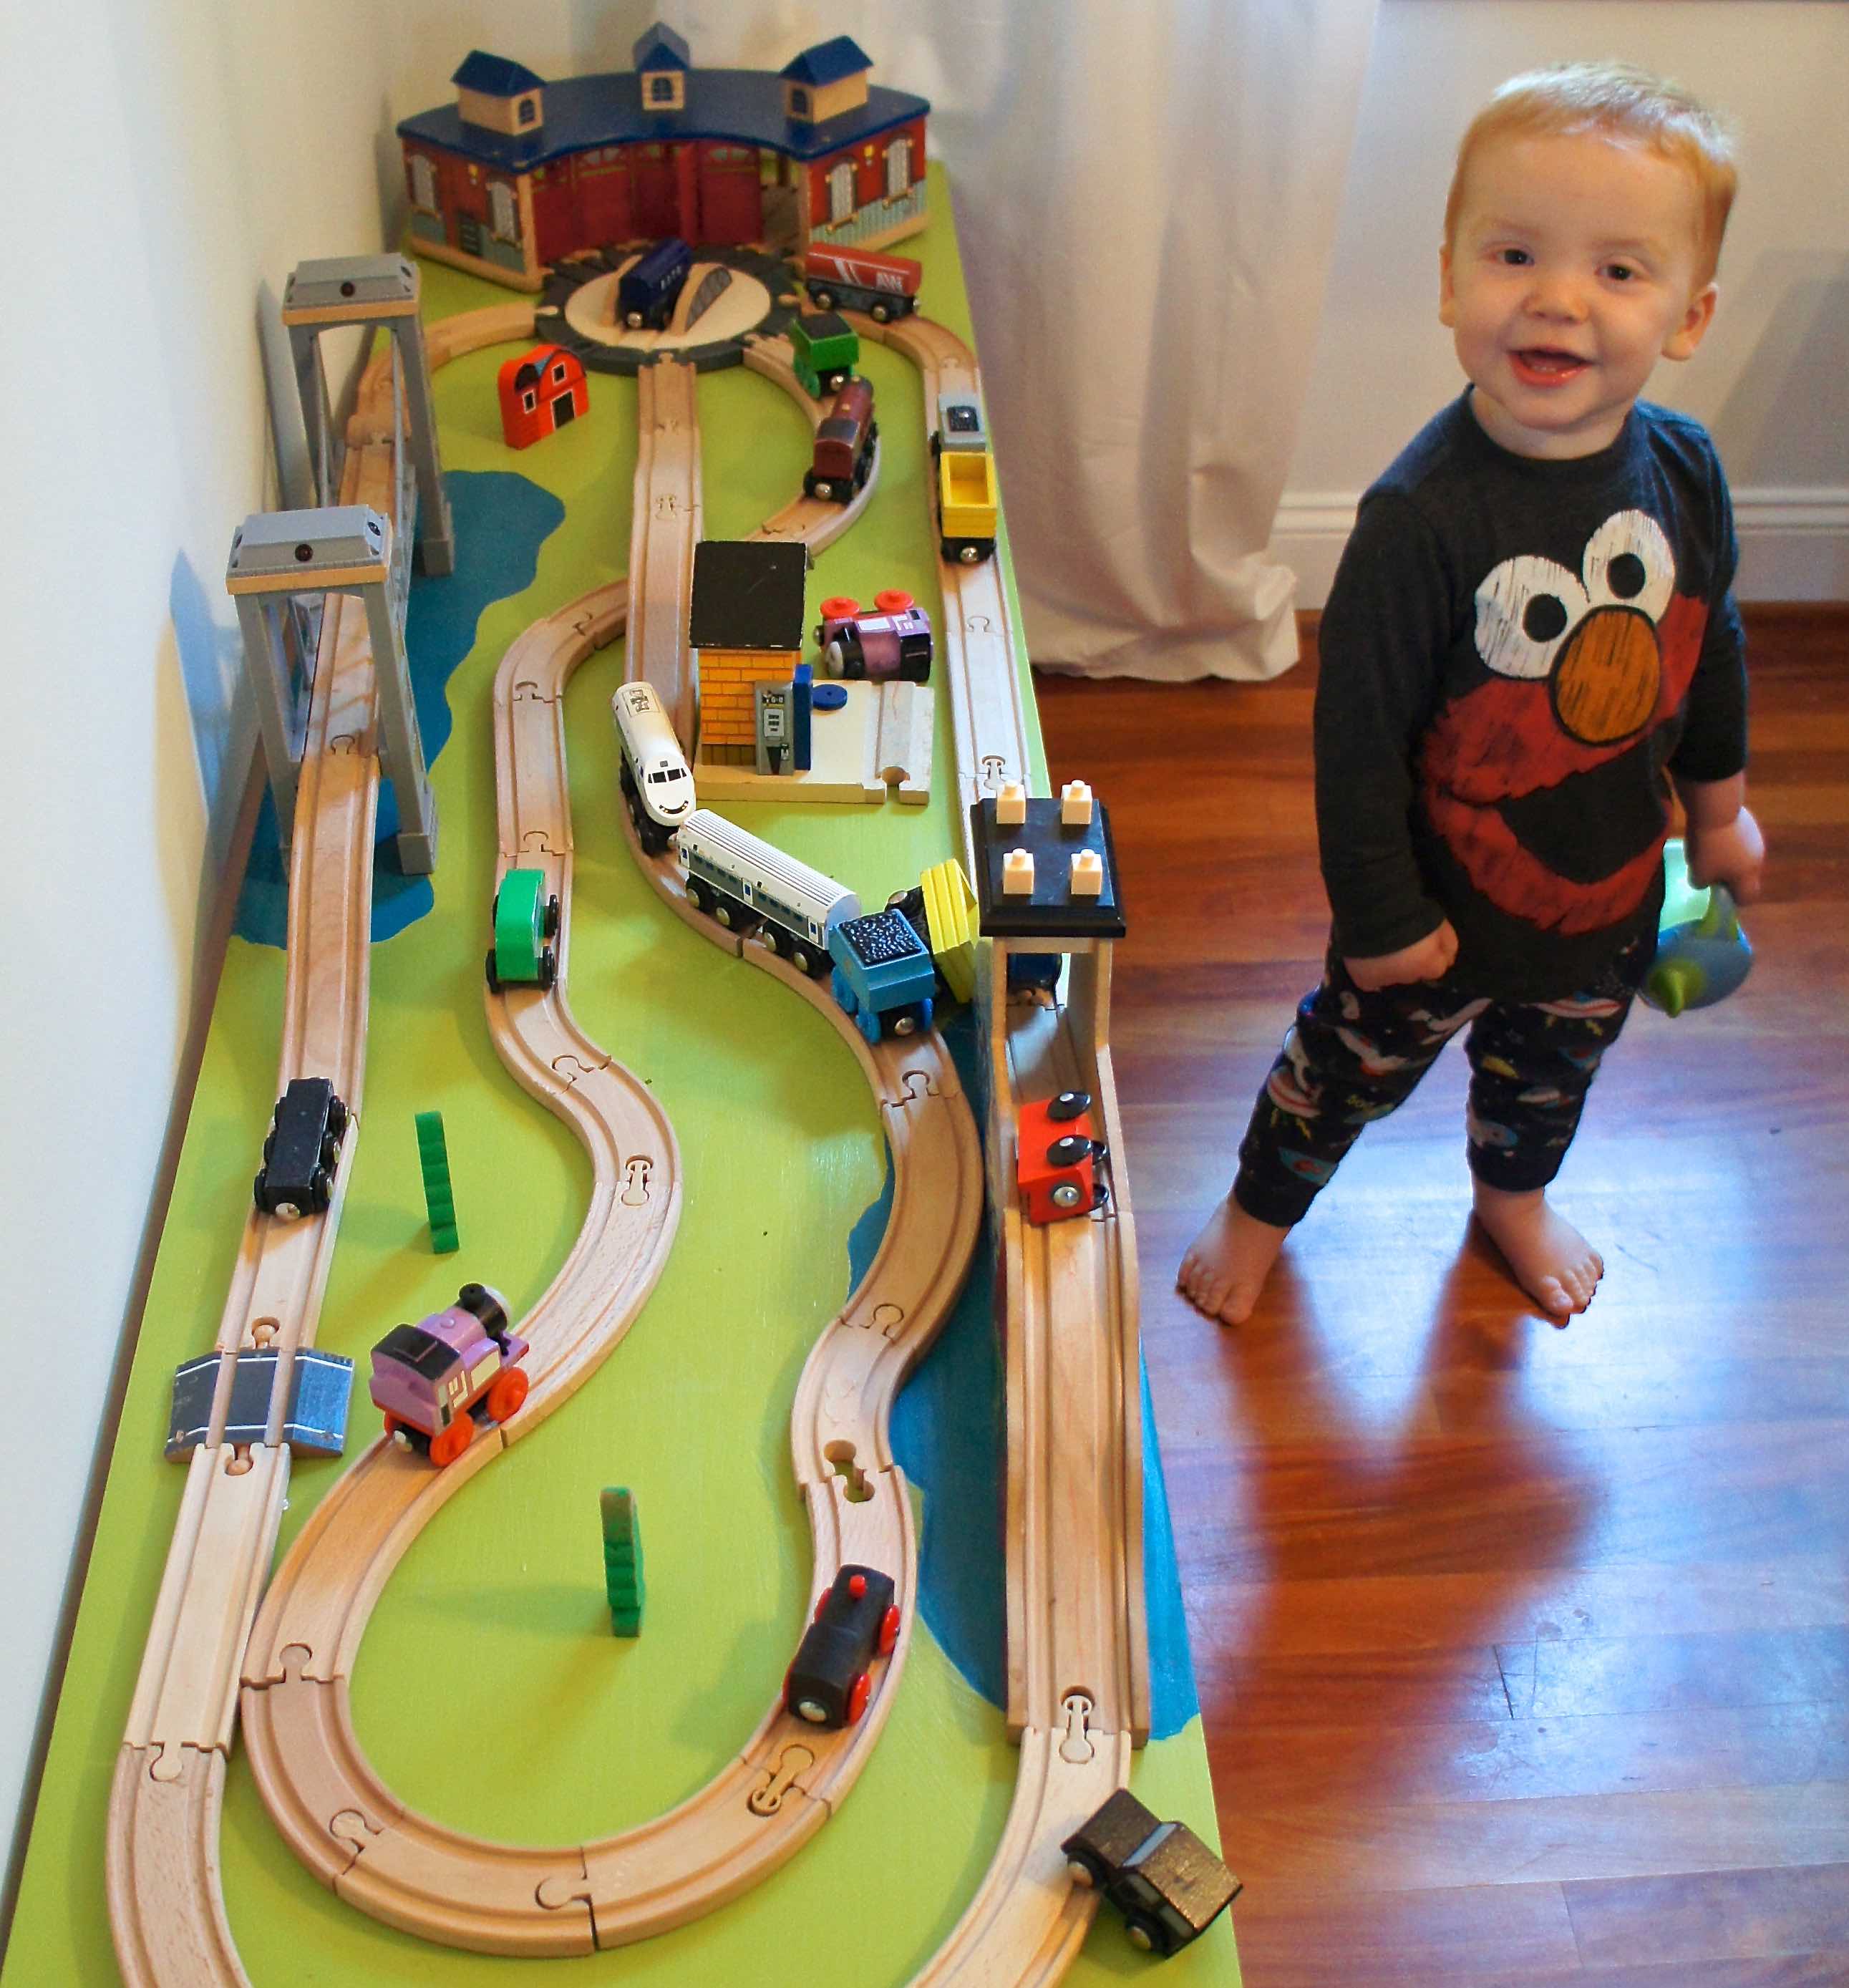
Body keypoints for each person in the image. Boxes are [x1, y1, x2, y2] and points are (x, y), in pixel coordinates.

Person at [1178, 61, 1765, 1327]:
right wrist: (1381, 919)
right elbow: (1358, 747)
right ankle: (1256, 1209)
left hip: (1606, 900)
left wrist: (1718, 808)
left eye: (1619, 271)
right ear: (1450, 278)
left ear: (1689, 314)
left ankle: (1512, 1200)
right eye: (1514, 255)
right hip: (1429, 919)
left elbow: (1706, 644)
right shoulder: (1417, 520)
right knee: (1338, 1074)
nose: (1559, 299)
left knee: (1552, 1075)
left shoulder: (1689, 473)